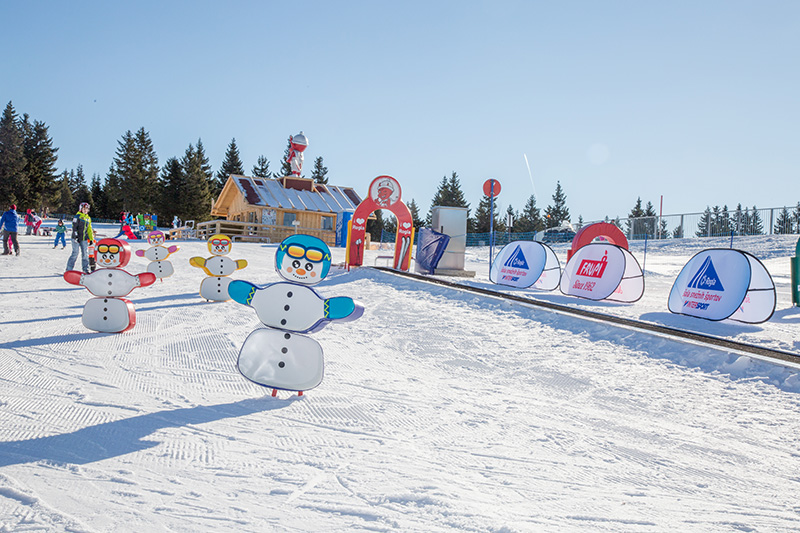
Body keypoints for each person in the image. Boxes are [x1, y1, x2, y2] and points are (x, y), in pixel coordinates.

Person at [66, 202, 94, 273]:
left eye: (87, 209)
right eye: (84, 209)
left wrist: (91, 239)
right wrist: (76, 236)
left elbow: (89, 229)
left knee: (85, 254)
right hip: (76, 238)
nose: (85, 210)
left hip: (84, 238)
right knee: (75, 253)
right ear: (81, 209)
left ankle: (85, 269)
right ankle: (69, 269)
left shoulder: (88, 218)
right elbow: (74, 227)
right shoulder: (77, 216)